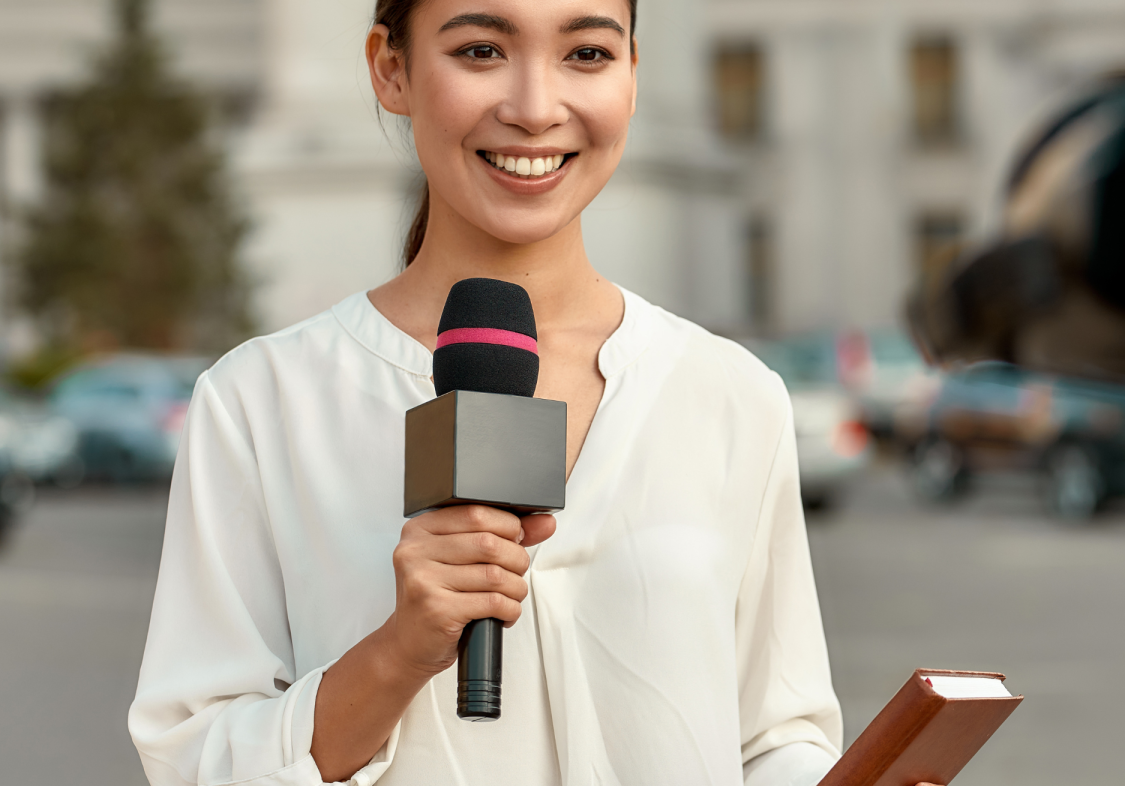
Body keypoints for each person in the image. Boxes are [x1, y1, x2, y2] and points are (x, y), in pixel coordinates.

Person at [126, 1, 846, 783]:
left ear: (634, 74)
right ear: (391, 69)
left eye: (587, 56)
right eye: (479, 51)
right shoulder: (261, 405)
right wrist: (397, 651)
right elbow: (197, 758)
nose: (535, 109)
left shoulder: (731, 395)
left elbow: (778, 734)